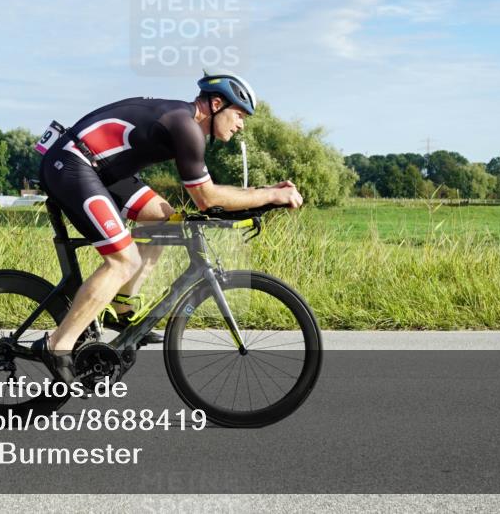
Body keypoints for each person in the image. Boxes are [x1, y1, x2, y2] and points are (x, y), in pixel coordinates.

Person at [33, 71, 303, 383]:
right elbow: (206, 198)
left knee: (165, 220)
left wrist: (264, 194)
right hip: (71, 164)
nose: (241, 124)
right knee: (123, 260)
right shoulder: (186, 125)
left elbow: (210, 198)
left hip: (103, 169)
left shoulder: (185, 121)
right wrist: (270, 194)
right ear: (216, 104)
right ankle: (57, 345)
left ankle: (121, 306)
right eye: (239, 115)